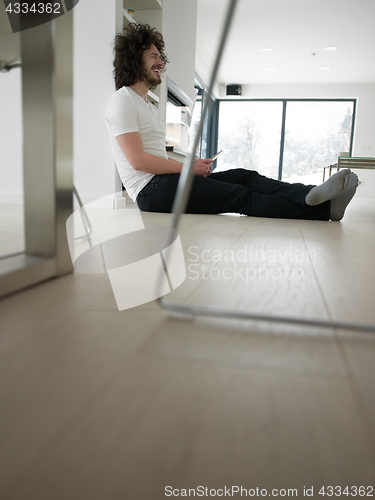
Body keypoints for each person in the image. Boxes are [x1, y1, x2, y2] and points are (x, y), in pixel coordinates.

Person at [105, 23, 358, 221]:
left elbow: (155, 157)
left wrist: (191, 166)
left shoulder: (146, 104)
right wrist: (188, 168)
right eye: (153, 56)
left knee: (244, 177)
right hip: (150, 192)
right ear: (134, 57)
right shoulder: (122, 100)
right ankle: (324, 210)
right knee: (239, 196)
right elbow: (138, 161)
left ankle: (309, 194)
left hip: (163, 184)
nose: (160, 62)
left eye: (160, 57)